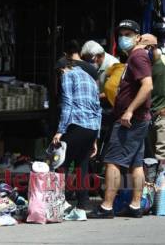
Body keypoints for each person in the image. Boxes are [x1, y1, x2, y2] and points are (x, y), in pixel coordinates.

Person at [88, 20, 154, 219]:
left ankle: (106, 207)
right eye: (121, 34)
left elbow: (147, 86)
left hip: (129, 120)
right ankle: (135, 206)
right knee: (135, 164)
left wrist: (129, 111)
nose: (123, 38)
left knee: (112, 162)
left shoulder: (138, 56)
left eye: (128, 34)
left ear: (137, 36)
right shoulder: (134, 56)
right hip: (136, 119)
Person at [53, 57, 101, 220]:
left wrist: (60, 130)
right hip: (92, 128)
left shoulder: (67, 75)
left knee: (60, 163)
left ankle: (60, 202)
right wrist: (96, 137)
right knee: (82, 165)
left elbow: (67, 103)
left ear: (62, 70)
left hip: (76, 124)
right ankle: (81, 207)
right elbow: (98, 108)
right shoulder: (90, 79)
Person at [147, 34, 165, 172]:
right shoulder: (152, 67)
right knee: (156, 153)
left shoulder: (161, 66)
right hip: (153, 114)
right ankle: (158, 187)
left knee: (160, 153)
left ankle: (161, 188)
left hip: (160, 114)